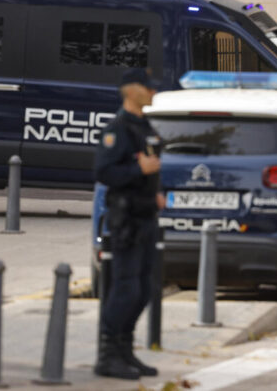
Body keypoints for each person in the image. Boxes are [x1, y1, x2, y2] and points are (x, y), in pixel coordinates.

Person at [94, 67, 166, 380]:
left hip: (147, 214)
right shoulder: (118, 129)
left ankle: (125, 350)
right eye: (147, 87)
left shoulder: (144, 125)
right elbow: (105, 172)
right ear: (130, 90)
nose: (152, 92)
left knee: (144, 290)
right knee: (127, 288)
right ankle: (108, 354)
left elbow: (150, 164)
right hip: (127, 220)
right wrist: (140, 171)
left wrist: (157, 191)